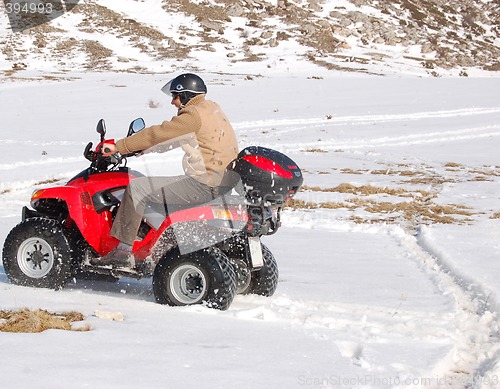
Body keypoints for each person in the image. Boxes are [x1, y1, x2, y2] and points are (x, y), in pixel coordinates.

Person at [97, 73, 239, 266]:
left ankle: (122, 252)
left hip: (203, 184)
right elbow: (177, 137)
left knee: (137, 189)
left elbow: (160, 132)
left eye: (175, 96)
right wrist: (144, 149)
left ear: (186, 95)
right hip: (224, 182)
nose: (173, 101)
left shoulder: (192, 114)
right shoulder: (212, 109)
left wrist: (119, 147)